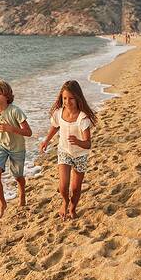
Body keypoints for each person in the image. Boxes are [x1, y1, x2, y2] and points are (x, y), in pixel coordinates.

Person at [39, 80, 97, 220]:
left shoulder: (83, 118)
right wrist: (46, 140)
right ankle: (65, 201)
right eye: (64, 98)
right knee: (63, 186)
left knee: (76, 189)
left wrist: (78, 142)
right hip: (64, 152)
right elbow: (54, 127)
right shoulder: (59, 113)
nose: (67, 101)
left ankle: (72, 207)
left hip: (80, 155)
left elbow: (88, 144)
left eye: (71, 98)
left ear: (78, 98)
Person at [0, 80, 32, 219]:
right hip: (0, 147)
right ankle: (2, 203)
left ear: (7, 95)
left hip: (17, 148)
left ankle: (22, 194)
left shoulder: (15, 111)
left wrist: (11, 129)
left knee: (18, 177)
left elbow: (28, 132)